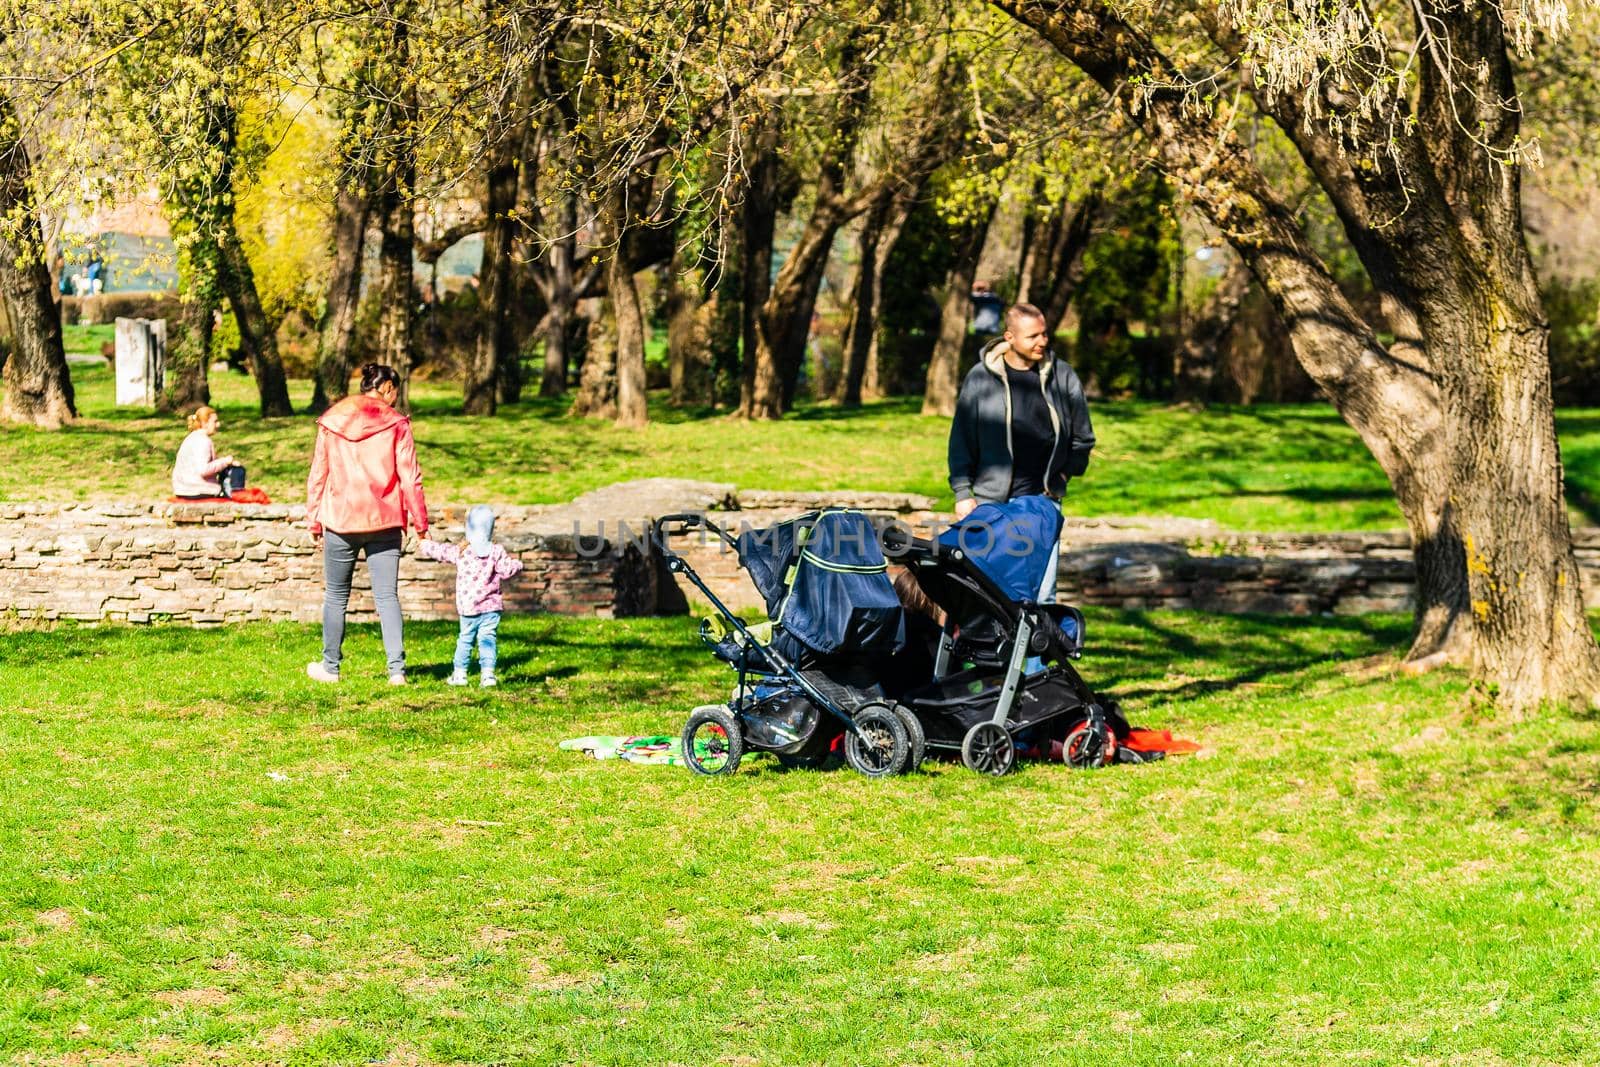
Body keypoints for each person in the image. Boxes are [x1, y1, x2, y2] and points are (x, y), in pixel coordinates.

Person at [947, 301, 1094, 614]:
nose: (1042, 341)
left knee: (1041, 595)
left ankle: (1038, 665)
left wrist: (1063, 477)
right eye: (1033, 336)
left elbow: (1083, 437)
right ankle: (994, 664)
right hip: (991, 505)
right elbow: (961, 440)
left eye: (1044, 334)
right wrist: (963, 493)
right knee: (987, 591)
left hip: (1042, 503)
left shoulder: (1062, 376)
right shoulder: (980, 378)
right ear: (1009, 338)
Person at [305, 363, 429, 686]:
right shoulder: (397, 424)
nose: (396, 398)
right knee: (387, 596)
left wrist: (314, 520)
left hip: (341, 519)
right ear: (387, 387)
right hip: (384, 520)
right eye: (396, 391)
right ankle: (397, 671)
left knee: (335, 596)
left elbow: (319, 473)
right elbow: (410, 478)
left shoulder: (333, 419)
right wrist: (421, 522)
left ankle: (330, 667)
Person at [420, 505, 524, 688]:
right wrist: (518, 564)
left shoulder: (462, 551)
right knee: (488, 639)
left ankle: (460, 675)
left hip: (468, 608)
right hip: (491, 608)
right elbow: (507, 570)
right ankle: (488, 676)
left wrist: (425, 544)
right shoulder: (496, 551)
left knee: (465, 639)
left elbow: (441, 552)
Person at [172, 406, 245, 499]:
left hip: (182, 489)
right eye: (215, 421)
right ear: (205, 423)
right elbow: (203, 470)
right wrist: (225, 461)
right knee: (237, 473)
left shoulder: (191, 437)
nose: (218, 425)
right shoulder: (203, 441)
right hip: (197, 490)